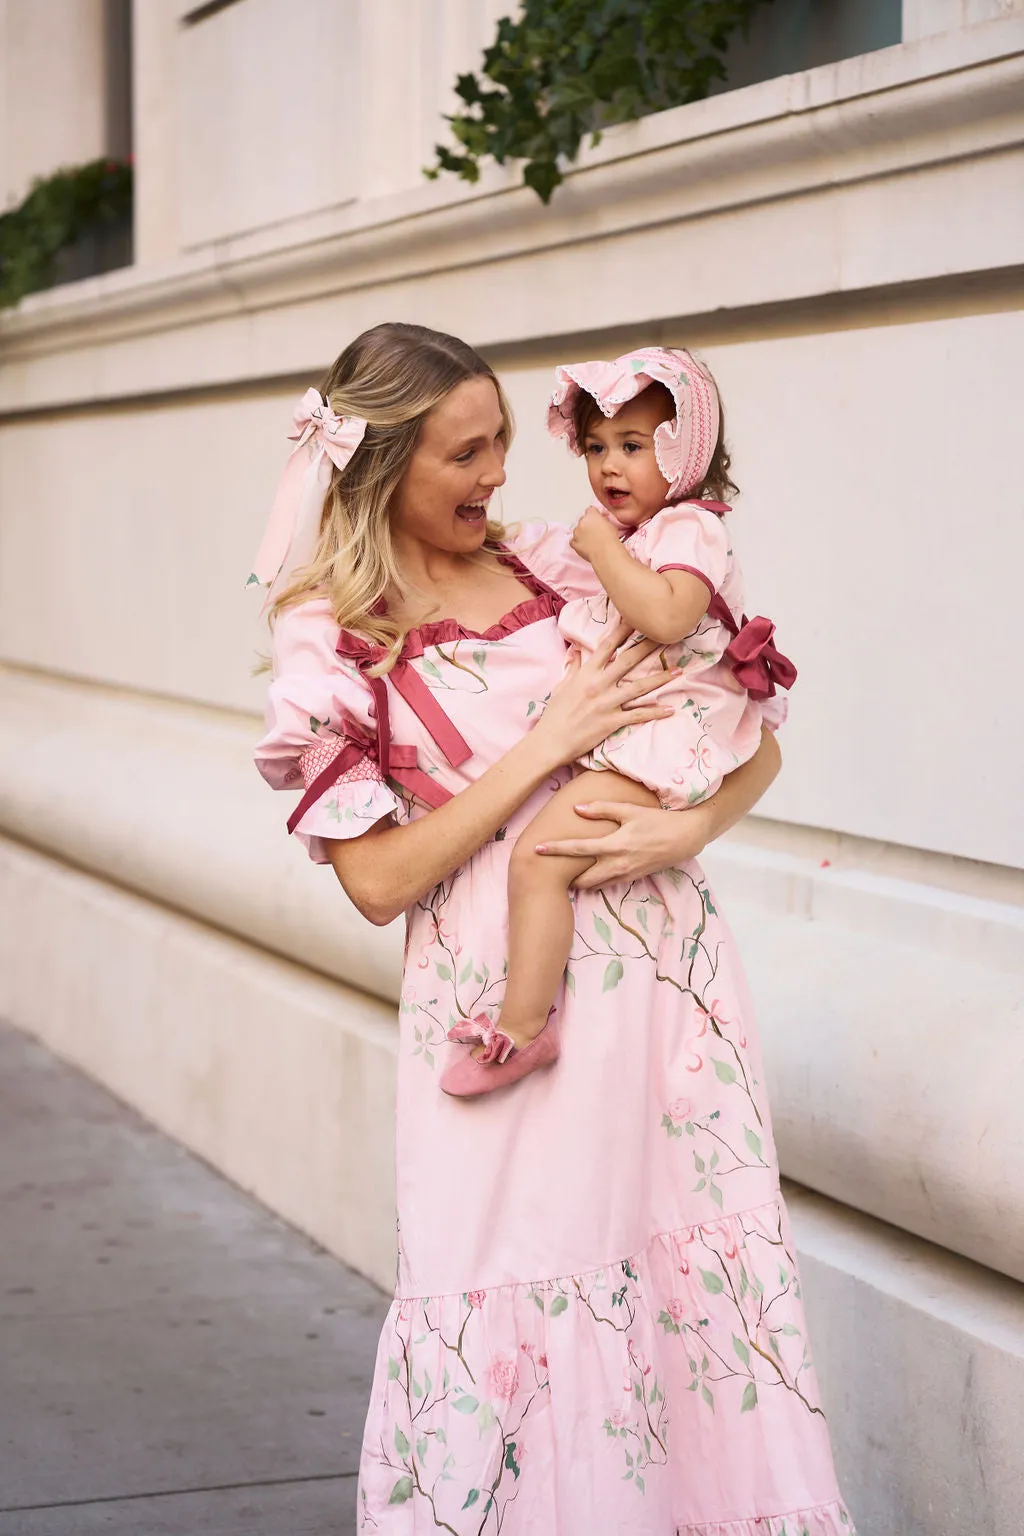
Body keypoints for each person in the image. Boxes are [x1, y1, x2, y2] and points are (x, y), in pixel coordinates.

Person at [252, 322, 854, 1535]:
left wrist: (688, 832)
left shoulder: (559, 566)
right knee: (502, 1288)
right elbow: (376, 882)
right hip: (501, 1011)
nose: (495, 479)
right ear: (379, 467)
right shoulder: (333, 635)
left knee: (681, 1298)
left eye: (498, 448)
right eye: (463, 456)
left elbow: (751, 738)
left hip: (660, 990)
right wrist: (546, 741)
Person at [441, 347, 797, 1097]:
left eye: (634, 447)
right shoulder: (645, 535)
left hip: (665, 743)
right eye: (597, 447)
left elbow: (669, 615)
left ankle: (523, 1028)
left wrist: (602, 550)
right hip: (643, 740)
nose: (609, 467)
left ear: (686, 453)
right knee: (548, 861)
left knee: (539, 859)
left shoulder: (691, 528)